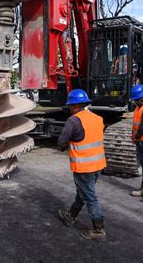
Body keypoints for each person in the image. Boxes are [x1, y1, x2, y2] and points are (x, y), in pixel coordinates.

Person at [57, 89, 107, 241]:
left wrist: (62, 147)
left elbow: (61, 141)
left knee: (90, 196)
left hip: (84, 166)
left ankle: (99, 230)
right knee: (84, 192)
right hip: (98, 164)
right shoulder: (97, 118)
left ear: (73, 106)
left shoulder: (73, 120)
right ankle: (71, 215)